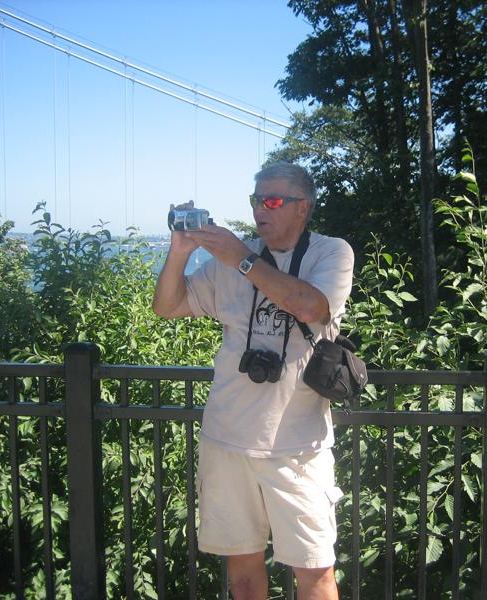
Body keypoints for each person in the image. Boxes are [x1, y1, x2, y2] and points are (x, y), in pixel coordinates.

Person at [152, 162, 353, 600]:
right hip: (227, 442)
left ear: (303, 208)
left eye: (273, 200)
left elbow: (310, 307)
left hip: (298, 449)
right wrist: (180, 251)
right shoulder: (229, 263)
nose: (262, 209)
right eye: (256, 200)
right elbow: (167, 306)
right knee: (242, 577)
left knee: (316, 574)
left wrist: (241, 258)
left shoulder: (330, 253)